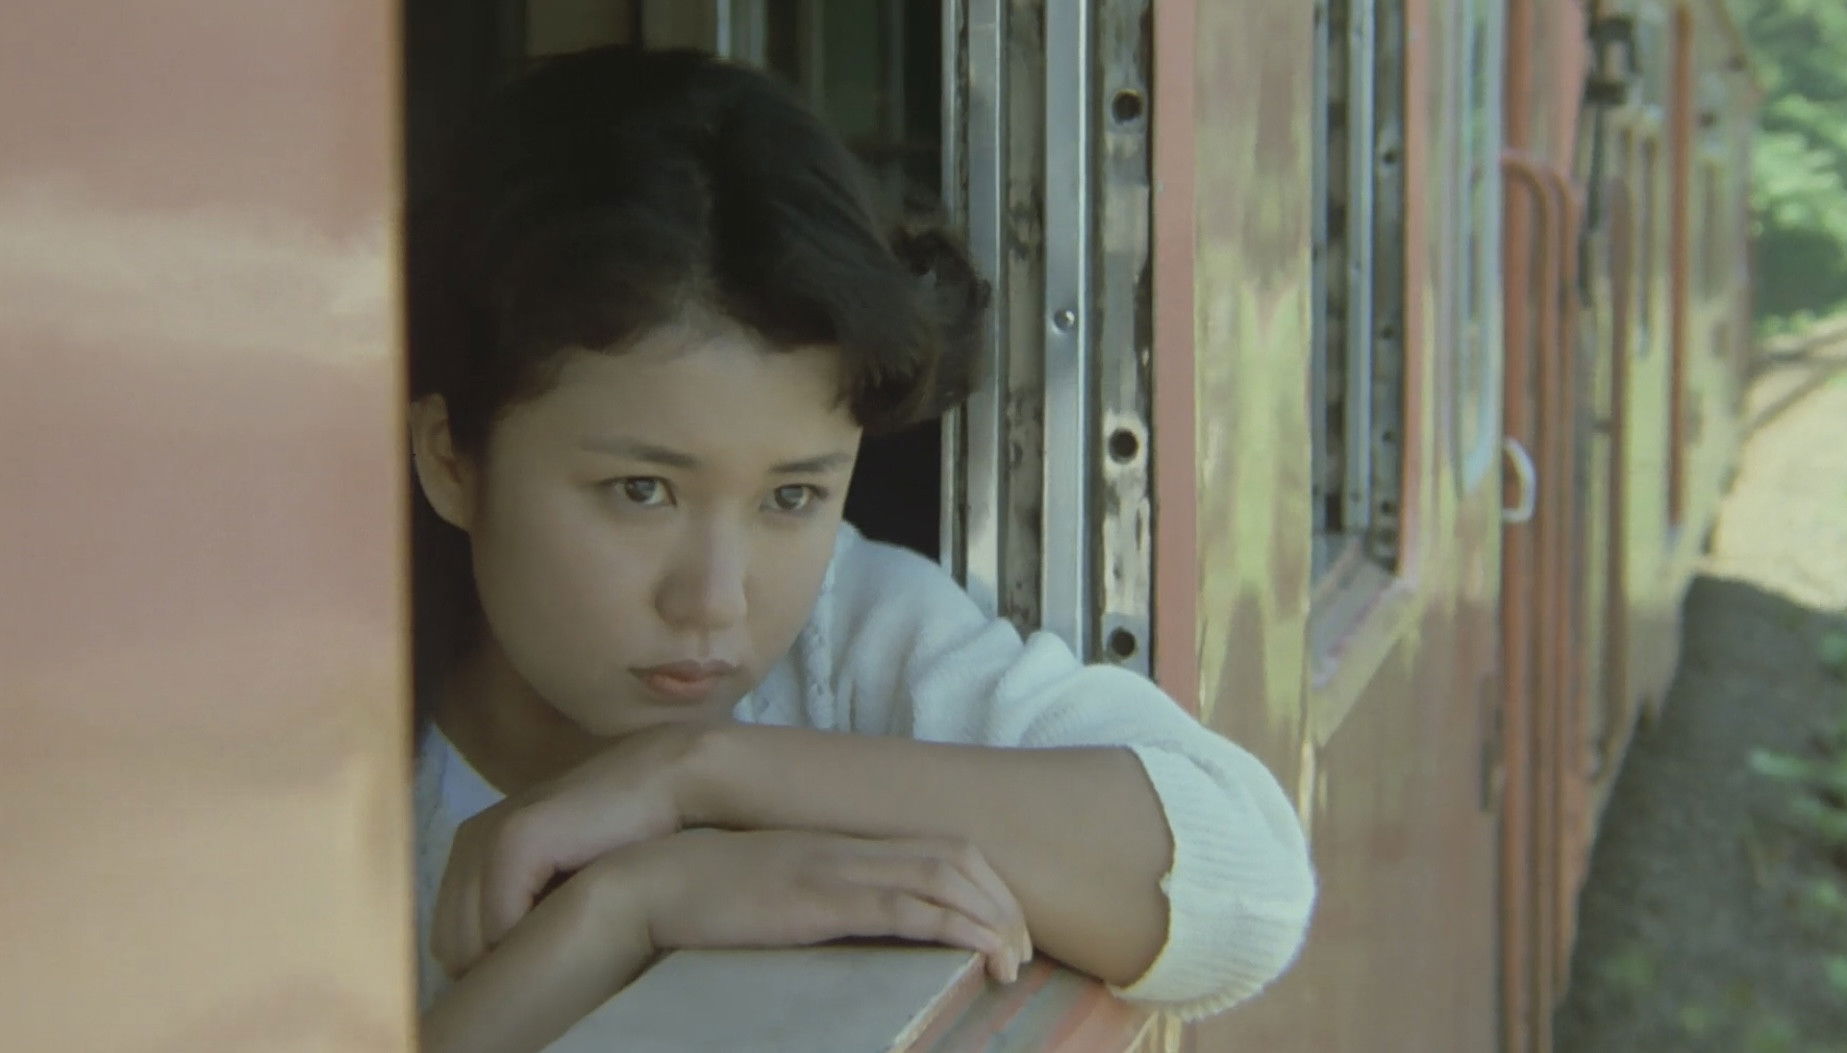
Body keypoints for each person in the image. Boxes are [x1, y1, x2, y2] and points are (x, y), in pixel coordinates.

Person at [406, 45, 1315, 1053]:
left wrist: (699, 773)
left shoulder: (845, 638)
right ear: (450, 460)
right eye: (641, 491)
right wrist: (617, 915)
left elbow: (1248, 889)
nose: (715, 600)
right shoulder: (324, 751)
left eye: (791, 496)